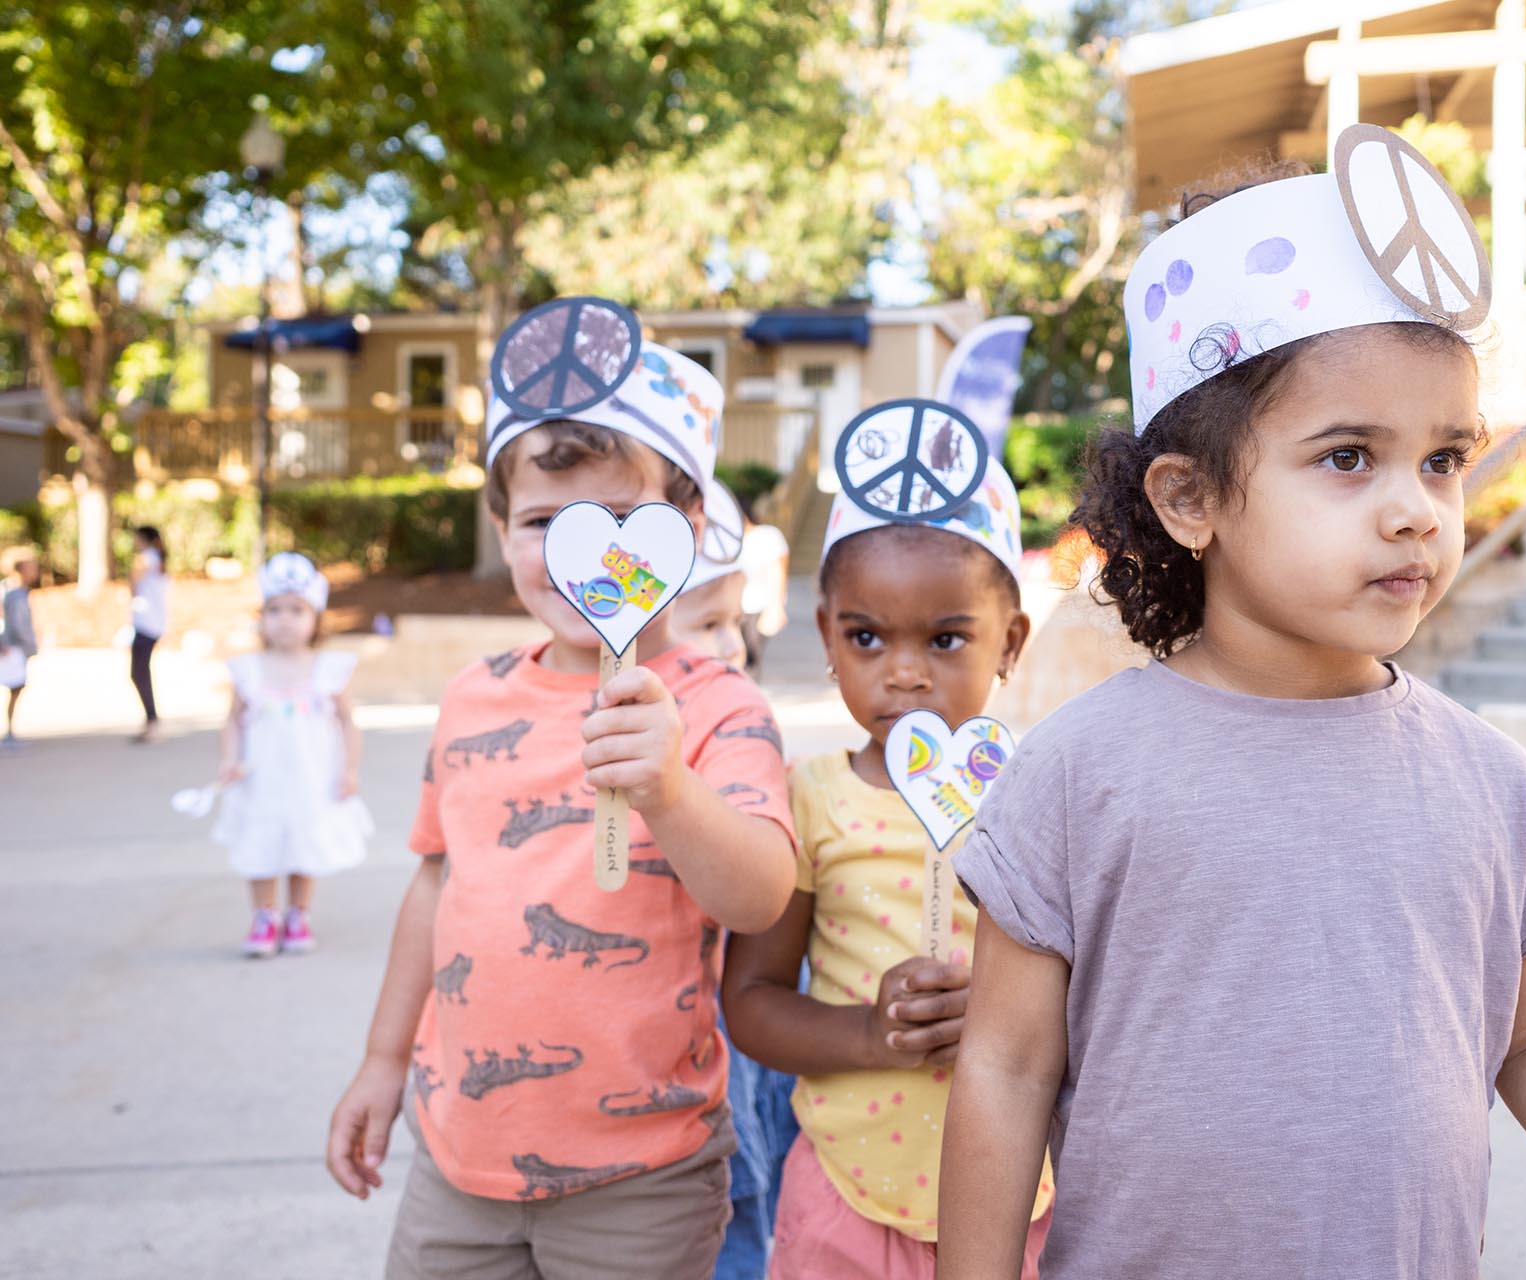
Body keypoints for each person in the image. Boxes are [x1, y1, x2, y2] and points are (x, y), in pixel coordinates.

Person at [938, 132, 1526, 1280]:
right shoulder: (1082, 767)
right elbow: (1004, 1066)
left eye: (1444, 458)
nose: (1416, 511)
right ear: (1189, 497)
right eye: (1349, 457)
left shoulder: (1488, 779)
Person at [324, 298, 797, 1280]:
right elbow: (434, 886)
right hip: (455, 1156)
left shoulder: (718, 705)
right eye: (546, 520)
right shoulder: (471, 697)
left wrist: (669, 786)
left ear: (692, 524)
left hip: (644, 1175)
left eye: (623, 520)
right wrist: (380, 1059)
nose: (582, 554)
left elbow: (759, 894)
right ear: (501, 528)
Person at [722, 415, 1052, 1280]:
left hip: (1026, 1197)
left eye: (946, 639)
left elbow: (1116, 991)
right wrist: (874, 1034)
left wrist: (1008, 1009)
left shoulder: (1048, 797)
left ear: (1008, 642)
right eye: (867, 637)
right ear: (828, 637)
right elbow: (751, 1000)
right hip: (844, 1197)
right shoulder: (809, 798)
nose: (903, 672)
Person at [664, 516, 803, 1280]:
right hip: (678, 1034)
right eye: (708, 622)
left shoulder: (740, 724)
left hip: (736, 1028)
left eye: (734, 621)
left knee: (740, 1212)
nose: (731, 644)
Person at [212, 552, 370, 957]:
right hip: (260, 777)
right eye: (275, 610)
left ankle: (299, 913)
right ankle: (265, 915)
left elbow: (348, 722)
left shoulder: (328, 670)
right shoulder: (248, 670)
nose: (285, 618)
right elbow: (233, 720)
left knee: (304, 843)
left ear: (315, 618)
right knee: (260, 845)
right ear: (261, 617)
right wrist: (229, 759)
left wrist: (349, 771)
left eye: (297, 610)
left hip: (310, 775)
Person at [737, 508, 790, 678]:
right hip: (734, 609)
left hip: (758, 606)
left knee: (751, 659)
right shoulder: (728, 540)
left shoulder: (767, 535)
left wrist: (776, 608)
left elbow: (778, 571)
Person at [129, 524, 168, 742]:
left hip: (147, 623)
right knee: (140, 672)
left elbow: (134, 583)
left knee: (139, 672)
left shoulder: (147, 558)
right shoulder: (158, 559)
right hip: (151, 622)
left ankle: (152, 721)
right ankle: (151, 720)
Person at [0, 546, 40, 747]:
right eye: (32, 567)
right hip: (9, 648)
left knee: (16, 688)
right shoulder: (9, 592)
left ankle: (10, 731)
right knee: (14, 687)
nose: (36, 571)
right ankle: (8, 734)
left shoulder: (19, 592)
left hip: (17, 647)